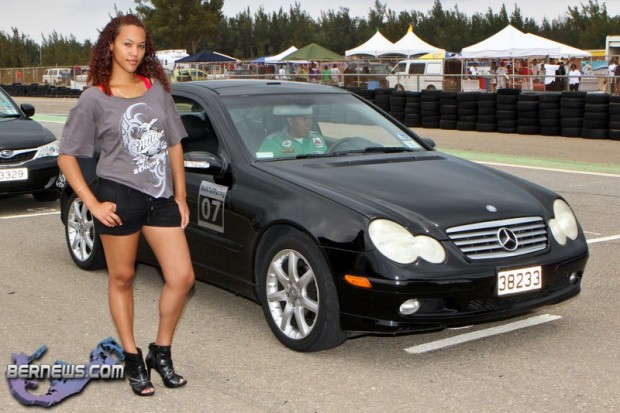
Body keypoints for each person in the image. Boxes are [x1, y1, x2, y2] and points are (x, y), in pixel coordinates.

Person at [57, 14, 195, 397]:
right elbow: (67, 156)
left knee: (182, 277)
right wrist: (92, 203)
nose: (135, 52)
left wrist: (180, 196)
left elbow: (174, 144)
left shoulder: (156, 90)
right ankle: (132, 356)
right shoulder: (94, 97)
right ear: (111, 47)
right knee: (122, 279)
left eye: (140, 45)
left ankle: (160, 350)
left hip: (160, 197)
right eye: (127, 44)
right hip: (118, 196)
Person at [257, 104, 327, 157]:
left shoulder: (316, 138)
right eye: (304, 119)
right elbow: (263, 169)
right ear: (290, 120)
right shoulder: (271, 142)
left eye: (310, 118)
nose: (309, 123)